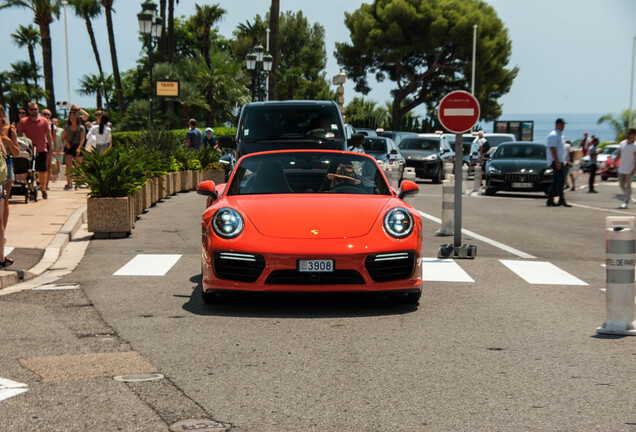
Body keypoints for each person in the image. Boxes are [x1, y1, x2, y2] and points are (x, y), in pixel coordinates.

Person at [18, 101, 54, 199]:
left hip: (41, 149)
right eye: (32, 109)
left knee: (42, 171)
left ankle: (43, 188)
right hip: (28, 151)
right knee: (29, 171)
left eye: (36, 109)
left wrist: (51, 148)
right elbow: (20, 135)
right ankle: (31, 188)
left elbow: (48, 136)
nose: (34, 111)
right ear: (28, 110)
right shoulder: (23, 121)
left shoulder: (43, 121)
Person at [0, 106, 19, 236]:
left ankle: (3, 233)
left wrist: (8, 142)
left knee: (4, 199)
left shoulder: (10, 129)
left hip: (6, 164)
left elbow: (16, 152)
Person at [546, 118, 571, 207]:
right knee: (560, 181)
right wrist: (557, 161)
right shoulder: (553, 135)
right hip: (556, 161)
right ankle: (561, 199)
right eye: (562, 124)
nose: (563, 126)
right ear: (557, 125)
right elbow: (553, 148)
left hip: (561, 160)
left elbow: (561, 149)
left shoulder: (560, 135)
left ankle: (550, 200)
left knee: (557, 181)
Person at [611, 128, 636, 209]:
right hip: (621, 168)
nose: (628, 135)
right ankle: (629, 196)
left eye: (630, 133)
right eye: (627, 133)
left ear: (634, 135)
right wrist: (613, 162)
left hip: (630, 169)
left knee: (628, 185)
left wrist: (634, 169)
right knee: (621, 185)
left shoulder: (634, 146)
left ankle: (626, 202)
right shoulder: (622, 143)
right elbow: (619, 155)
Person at [62, 108, 86, 190]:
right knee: (68, 165)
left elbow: (82, 139)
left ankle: (78, 183)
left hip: (77, 146)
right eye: (71, 117)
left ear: (77, 117)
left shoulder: (81, 127)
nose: (72, 119)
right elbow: (64, 137)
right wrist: (67, 143)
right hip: (69, 147)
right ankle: (69, 183)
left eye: (74, 117)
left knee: (78, 166)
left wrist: (79, 148)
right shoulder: (66, 127)